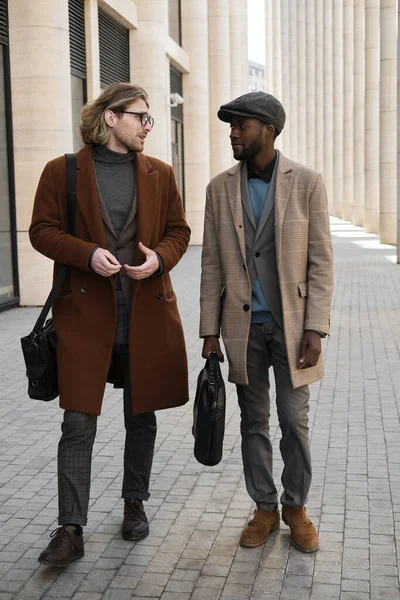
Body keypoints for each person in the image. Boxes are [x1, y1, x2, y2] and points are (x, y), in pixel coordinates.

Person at [30, 83, 190, 567]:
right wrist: (86, 254)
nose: (147, 126)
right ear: (111, 118)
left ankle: (134, 503)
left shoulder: (159, 173)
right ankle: (71, 528)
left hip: (145, 312)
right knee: (77, 421)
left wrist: (158, 260)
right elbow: (41, 231)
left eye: (149, 119)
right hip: (85, 316)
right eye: (141, 116)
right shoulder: (63, 171)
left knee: (141, 415)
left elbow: (179, 232)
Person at [200, 92, 333, 553]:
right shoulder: (219, 188)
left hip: (294, 328)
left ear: (269, 130)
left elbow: (320, 261)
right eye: (231, 126)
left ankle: (296, 509)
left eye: (242, 125)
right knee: (253, 422)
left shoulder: (308, 183)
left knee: (294, 420)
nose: (233, 133)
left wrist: (316, 326)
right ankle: (264, 507)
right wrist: (209, 332)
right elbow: (212, 264)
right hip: (242, 329)